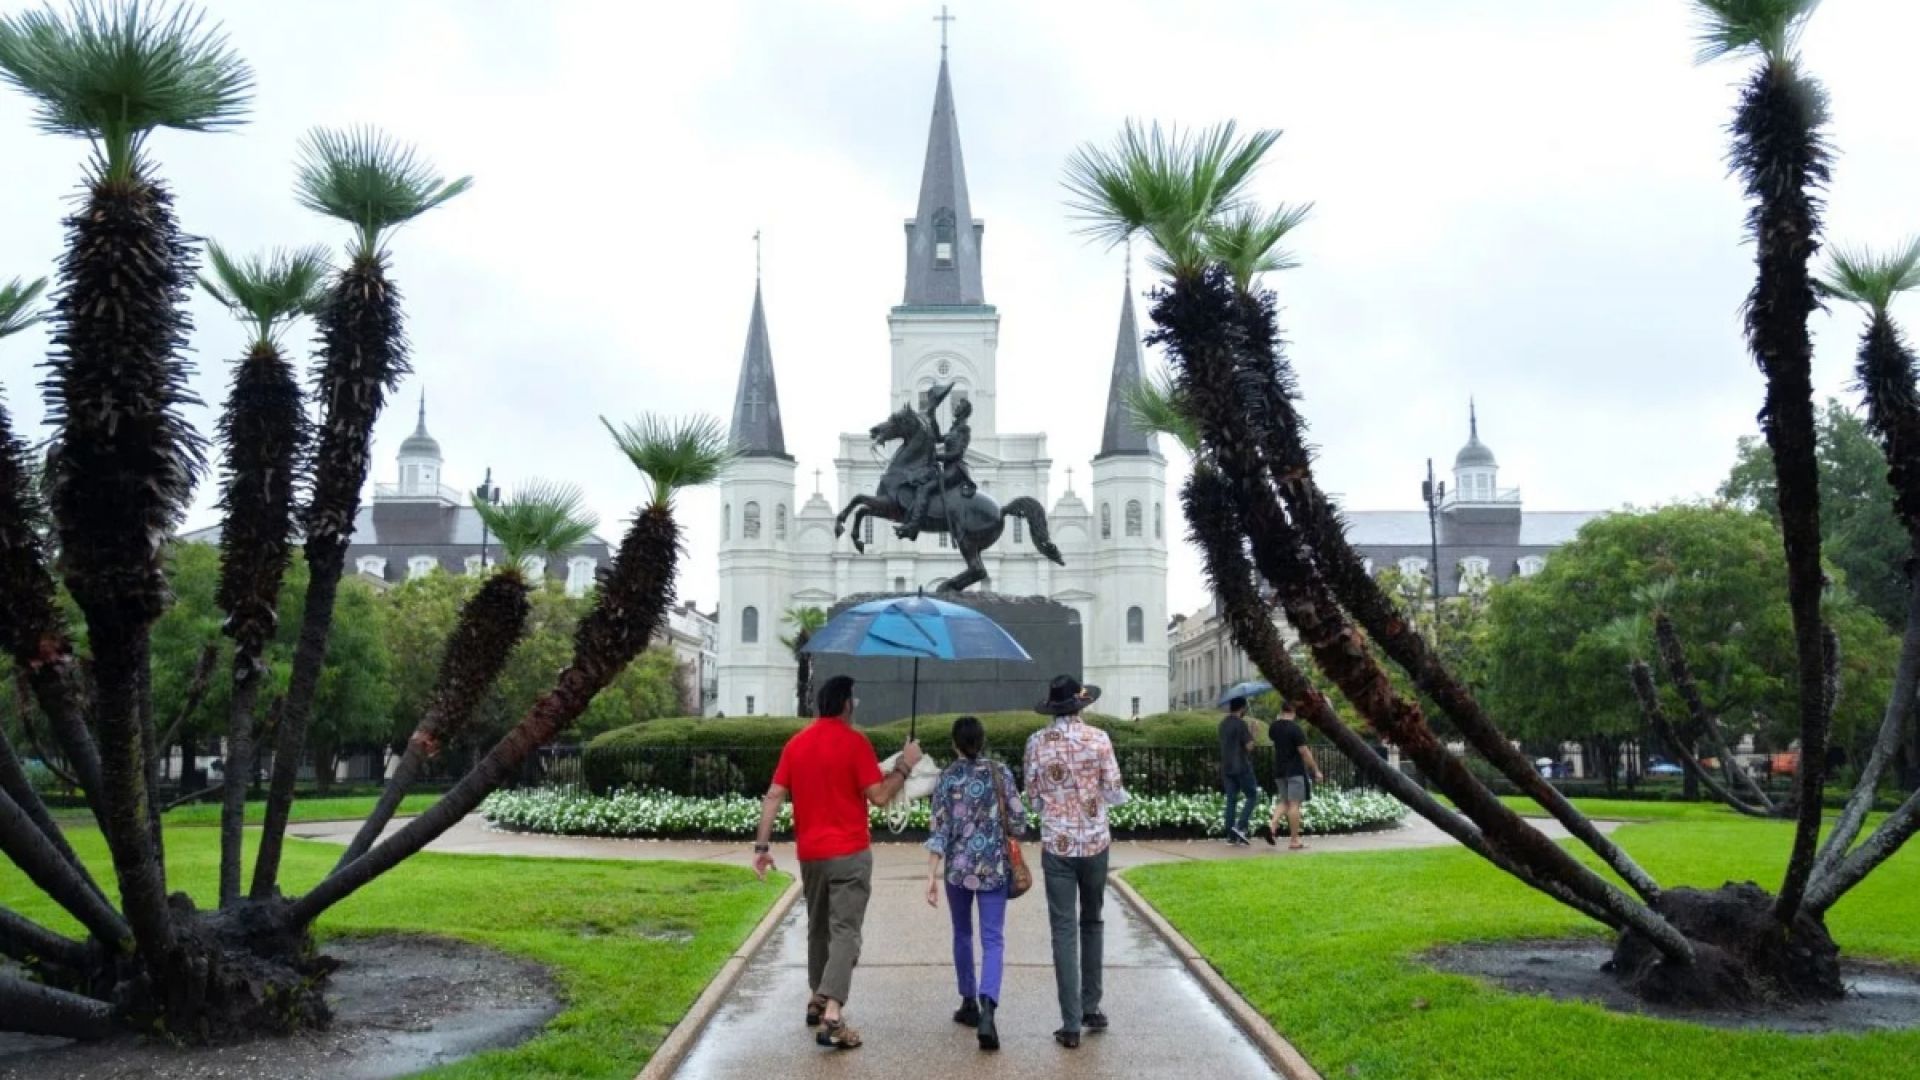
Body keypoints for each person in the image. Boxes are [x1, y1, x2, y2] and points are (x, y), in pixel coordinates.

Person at [753, 675, 924, 1050]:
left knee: (819, 928)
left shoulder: (796, 744)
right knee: (845, 931)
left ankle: (816, 996)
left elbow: (773, 796)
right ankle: (832, 1013)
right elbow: (879, 797)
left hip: (811, 854)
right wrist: (906, 765)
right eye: (854, 700)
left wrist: (761, 847)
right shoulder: (855, 742)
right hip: (849, 853)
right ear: (846, 703)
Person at [1024, 675, 1129, 1049]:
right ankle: (1092, 1006)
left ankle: (1069, 1024)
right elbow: (1114, 793)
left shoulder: (1036, 743)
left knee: (1063, 930)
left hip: (1057, 844)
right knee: (1093, 921)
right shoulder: (1099, 739)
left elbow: (1034, 800)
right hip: (1095, 842)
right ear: (1080, 705)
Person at [924, 715, 1026, 1052]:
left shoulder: (948, 778)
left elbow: (938, 828)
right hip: (994, 868)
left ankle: (967, 1000)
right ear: (982, 741)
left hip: (957, 870)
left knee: (962, 934)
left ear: (954, 743)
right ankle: (988, 1009)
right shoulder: (1000, 773)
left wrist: (930, 874)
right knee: (993, 939)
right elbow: (1020, 822)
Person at [896, 382, 956, 540]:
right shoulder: (920, 418)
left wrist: (950, 436)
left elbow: (937, 439)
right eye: (937, 400)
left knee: (923, 489)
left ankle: (913, 524)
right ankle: (912, 522)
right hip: (920, 464)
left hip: (928, 466)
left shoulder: (931, 418)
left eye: (938, 401)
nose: (936, 403)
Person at [1261, 703, 1324, 850]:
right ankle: (1295, 840)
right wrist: (1315, 769)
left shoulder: (1274, 727)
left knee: (1285, 802)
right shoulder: (1296, 729)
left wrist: (1278, 718)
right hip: (1294, 771)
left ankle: (1272, 826)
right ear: (1294, 711)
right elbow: (1304, 751)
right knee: (1295, 805)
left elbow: (1273, 735)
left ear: (1281, 710)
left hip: (1279, 771)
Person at [1217, 696, 1260, 846]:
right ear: (1242, 708)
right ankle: (1240, 826)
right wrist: (1254, 733)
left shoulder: (1222, 724)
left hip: (1227, 767)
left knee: (1231, 799)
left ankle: (1230, 834)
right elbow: (1249, 747)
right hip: (1241, 766)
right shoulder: (1241, 724)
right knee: (1253, 796)